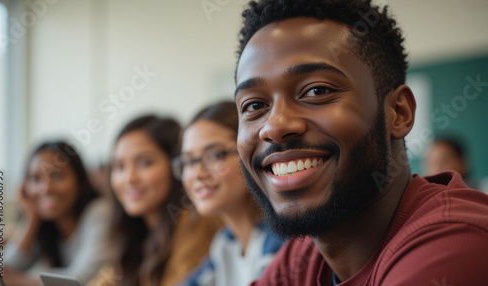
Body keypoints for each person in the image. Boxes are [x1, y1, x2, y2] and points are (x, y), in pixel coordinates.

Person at [233, 0, 488, 285]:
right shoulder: (304, 255)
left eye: (317, 90)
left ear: (398, 113)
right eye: (254, 105)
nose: (275, 126)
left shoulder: (457, 242)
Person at [88, 115, 221, 286]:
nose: (129, 178)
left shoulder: (195, 221)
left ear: (177, 166)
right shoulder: (135, 231)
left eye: (144, 163)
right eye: (119, 166)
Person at [173, 102, 284, 286]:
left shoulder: (281, 238)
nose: (198, 173)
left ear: (251, 153)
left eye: (215, 156)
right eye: (189, 162)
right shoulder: (226, 244)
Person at [5, 141, 109, 285]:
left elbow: (78, 280)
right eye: (36, 179)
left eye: (58, 176)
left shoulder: (100, 212)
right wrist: (31, 219)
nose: (46, 189)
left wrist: (16, 281)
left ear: (79, 180)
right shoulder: (45, 226)